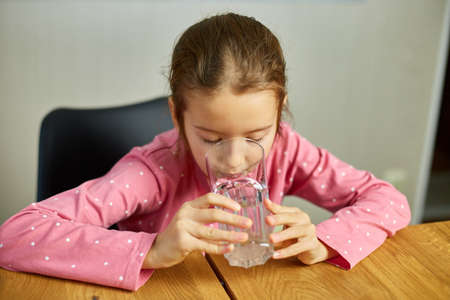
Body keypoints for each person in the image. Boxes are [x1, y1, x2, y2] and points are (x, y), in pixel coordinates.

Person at [0, 12, 411, 291]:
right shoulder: (151, 172)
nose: (234, 160)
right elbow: (15, 236)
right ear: (177, 116)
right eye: (212, 139)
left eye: (257, 135)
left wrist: (323, 240)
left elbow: (388, 200)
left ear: (279, 111)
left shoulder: (288, 150)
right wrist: (154, 249)